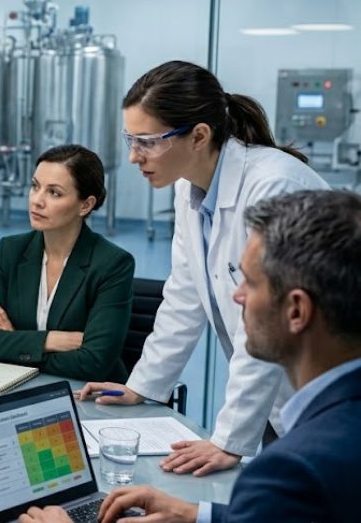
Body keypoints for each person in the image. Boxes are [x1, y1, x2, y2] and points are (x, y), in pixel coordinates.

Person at [20, 189, 361, 523]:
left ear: (297, 310)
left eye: (250, 283)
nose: (236, 296)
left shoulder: (292, 469)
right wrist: (196, 515)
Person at [78, 60, 328, 477]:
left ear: (198, 136)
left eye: (148, 141)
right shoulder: (188, 187)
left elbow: (265, 320)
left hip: (324, 390)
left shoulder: (272, 185)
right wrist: (144, 385)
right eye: (130, 139)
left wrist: (228, 440)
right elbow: (184, 294)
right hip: (283, 393)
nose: (133, 156)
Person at [0, 145, 134, 381]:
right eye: (35, 186)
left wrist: (15, 342)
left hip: (88, 399)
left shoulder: (112, 264)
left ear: (85, 205)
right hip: (21, 392)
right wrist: (49, 340)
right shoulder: (11, 251)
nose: (37, 201)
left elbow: (94, 362)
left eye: (54, 193)